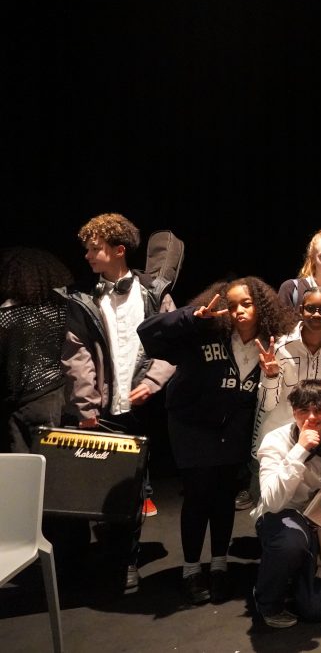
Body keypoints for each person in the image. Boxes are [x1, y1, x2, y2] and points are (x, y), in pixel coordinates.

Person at [137, 277, 294, 605]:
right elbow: (148, 333)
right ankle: (191, 570)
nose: (238, 311)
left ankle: (219, 566)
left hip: (234, 429)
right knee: (197, 496)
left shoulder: (272, 343)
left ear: (260, 306)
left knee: (224, 497)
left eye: (246, 304)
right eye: (232, 305)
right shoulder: (205, 332)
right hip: (192, 426)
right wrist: (190, 317)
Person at [61, 212, 176, 592]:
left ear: (119, 250)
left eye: (94, 248)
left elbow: (174, 342)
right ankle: (109, 557)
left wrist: (153, 382)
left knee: (134, 489)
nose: (87, 256)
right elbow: (76, 354)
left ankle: (126, 560)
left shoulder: (154, 292)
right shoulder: (82, 297)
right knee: (99, 487)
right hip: (101, 412)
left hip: (143, 409)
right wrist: (86, 406)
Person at [237, 287, 321, 510]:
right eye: (311, 308)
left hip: (317, 432)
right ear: (301, 310)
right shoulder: (280, 345)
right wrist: (271, 376)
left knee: (312, 500)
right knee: (272, 504)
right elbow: (267, 403)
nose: (317, 314)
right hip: (281, 433)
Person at [251, 378, 321, 628]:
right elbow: (272, 501)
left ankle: (301, 577)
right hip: (285, 514)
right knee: (290, 544)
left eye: (319, 410)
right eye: (303, 410)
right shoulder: (275, 441)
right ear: (293, 411)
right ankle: (267, 602)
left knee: (318, 609)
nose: (312, 417)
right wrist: (299, 450)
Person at [0, 247, 73, 453]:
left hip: (17, 403)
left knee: (20, 467)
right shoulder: (62, 310)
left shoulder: (6, 315)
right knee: (51, 464)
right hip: (53, 396)